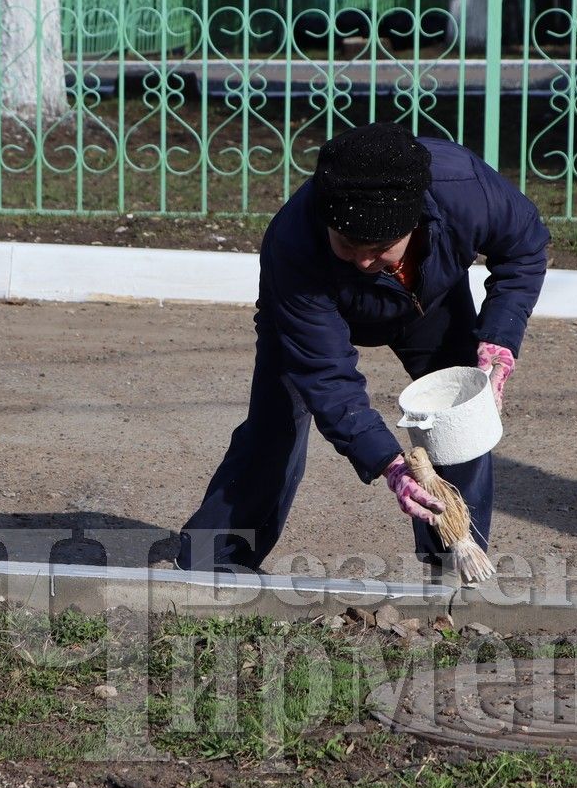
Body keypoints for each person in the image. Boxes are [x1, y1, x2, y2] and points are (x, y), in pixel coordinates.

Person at [175, 121, 550, 574]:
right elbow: (327, 377)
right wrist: (389, 465)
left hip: (428, 302)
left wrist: (499, 342)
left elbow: (525, 248)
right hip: (308, 312)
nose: (366, 262)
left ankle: (453, 563)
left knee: (460, 426)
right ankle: (211, 561)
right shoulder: (294, 243)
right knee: (274, 427)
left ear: (414, 223)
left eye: (381, 248)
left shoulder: (464, 188)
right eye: (349, 245)